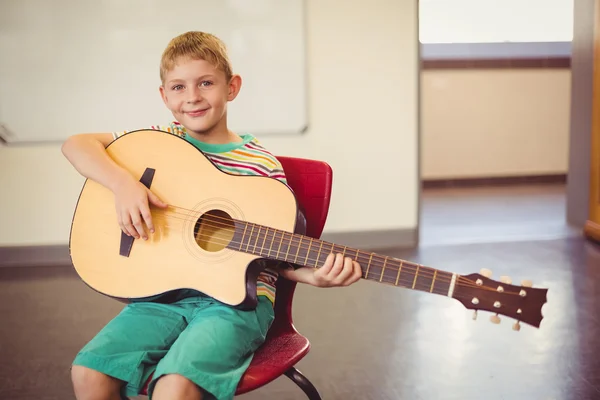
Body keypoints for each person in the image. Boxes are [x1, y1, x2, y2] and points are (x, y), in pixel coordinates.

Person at [62, 31, 363, 400]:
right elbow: (76, 144)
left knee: (174, 388)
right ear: (164, 96)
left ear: (231, 87)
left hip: (235, 303)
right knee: (89, 372)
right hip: (160, 294)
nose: (192, 97)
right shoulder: (158, 141)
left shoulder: (259, 165)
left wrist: (312, 275)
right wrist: (124, 185)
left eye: (206, 83)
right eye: (178, 87)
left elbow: (271, 255)